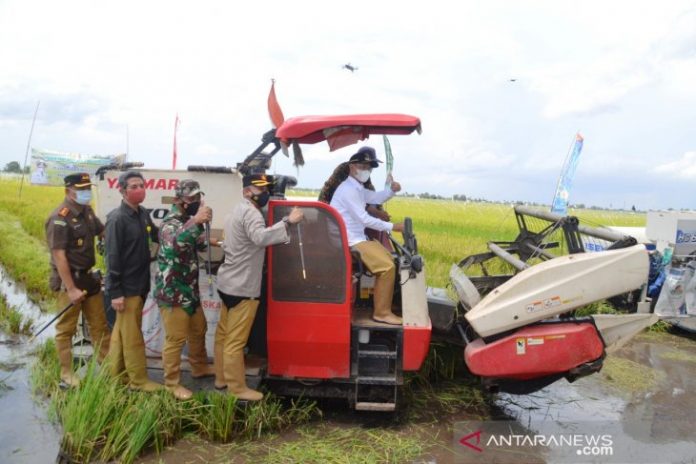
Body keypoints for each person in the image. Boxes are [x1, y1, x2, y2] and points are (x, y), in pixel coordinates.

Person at [215, 174, 303, 401]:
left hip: (227, 282)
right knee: (235, 341)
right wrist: (288, 222)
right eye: (259, 188)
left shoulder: (236, 210)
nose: (263, 193)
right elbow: (260, 238)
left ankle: (221, 378)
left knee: (223, 335)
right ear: (247, 191)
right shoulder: (251, 213)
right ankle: (237, 388)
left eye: (266, 188)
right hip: (243, 287)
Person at [45, 172, 110, 387]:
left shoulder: (87, 211)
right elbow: (59, 256)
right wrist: (71, 289)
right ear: (68, 191)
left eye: (87, 188)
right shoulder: (59, 218)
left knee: (100, 326)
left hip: (89, 279)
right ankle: (66, 373)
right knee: (66, 329)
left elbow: (103, 232)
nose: (86, 192)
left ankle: (109, 368)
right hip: (68, 282)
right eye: (81, 189)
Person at [154, 179, 218, 400]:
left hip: (189, 290)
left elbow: (196, 243)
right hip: (173, 293)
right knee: (175, 339)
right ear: (179, 200)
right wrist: (197, 221)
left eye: (198, 197)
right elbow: (173, 245)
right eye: (191, 199)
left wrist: (206, 232)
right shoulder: (170, 222)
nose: (195, 202)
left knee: (198, 329)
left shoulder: (186, 219)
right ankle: (171, 383)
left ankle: (199, 367)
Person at [329, 146, 404, 325]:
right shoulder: (348, 190)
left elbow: (376, 198)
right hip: (349, 241)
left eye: (369, 168)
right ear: (352, 167)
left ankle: (383, 303)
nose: (366, 170)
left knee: (389, 258)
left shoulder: (357, 188)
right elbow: (364, 219)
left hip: (355, 238)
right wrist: (393, 226)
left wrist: (392, 190)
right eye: (362, 166)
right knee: (387, 267)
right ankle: (382, 312)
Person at [104, 170, 161, 391]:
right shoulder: (117, 219)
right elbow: (112, 257)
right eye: (134, 186)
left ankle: (115, 376)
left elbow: (157, 236)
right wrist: (115, 292)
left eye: (142, 185)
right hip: (126, 288)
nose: (140, 190)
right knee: (132, 336)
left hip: (140, 283)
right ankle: (139, 380)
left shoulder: (142, 213)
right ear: (122, 190)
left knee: (121, 334)